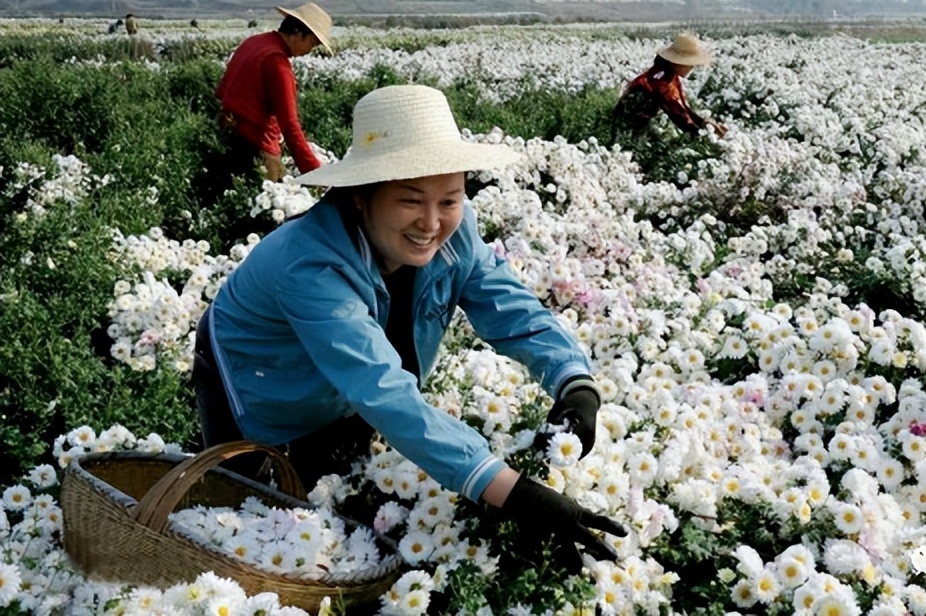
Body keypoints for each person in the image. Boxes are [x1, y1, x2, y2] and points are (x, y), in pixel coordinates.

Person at [191, 84, 625, 567]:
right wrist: (512, 492)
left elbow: (509, 307)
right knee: (249, 516)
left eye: (450, 199)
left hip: (351, 385)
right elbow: (379, 387)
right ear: (361, 196)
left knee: (341, 490)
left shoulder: (456, 232)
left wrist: (573, 380)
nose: (431, 223)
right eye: (410, 200)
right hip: (260, 373)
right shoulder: (310, 265)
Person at [213, 3, 330, 182]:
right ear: (298, 32)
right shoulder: (277, 62)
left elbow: (222, 89)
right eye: (312, 44)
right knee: (271, 192)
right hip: (257, 145)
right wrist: (314, 172)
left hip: (228, 132)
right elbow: (289, 124)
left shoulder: (254, 42)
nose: (309, 52)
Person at [612, 32, 727, 139]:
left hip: (635, 122)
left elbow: (682, 107)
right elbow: (678, 114)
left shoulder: (667, 75)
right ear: (677, 62)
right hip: (629, 128)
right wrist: (703, 135)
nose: (692, 67)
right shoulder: (661, 82)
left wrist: (703, 122)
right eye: (689, 63)